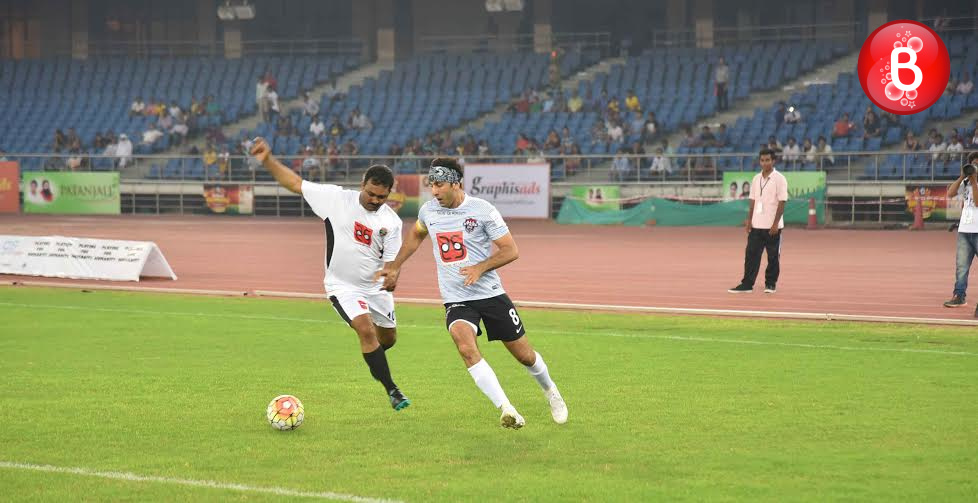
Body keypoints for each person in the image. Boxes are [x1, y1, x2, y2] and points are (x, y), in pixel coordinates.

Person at [377, 158, 567, 429]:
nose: (434, 191)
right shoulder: (429, 211)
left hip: (490, 294)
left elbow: (511, 250)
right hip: (456, 298)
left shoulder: (482, 210)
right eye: (432, 185)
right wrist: (395, 266)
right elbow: (417, 233)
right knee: (465, 347)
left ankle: (551, 391)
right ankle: (507, 409)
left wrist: (481, 267)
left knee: (525, 355)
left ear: (456, 183)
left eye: (439, 185)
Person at [248, 137, 411, 411]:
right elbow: (295, 183)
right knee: (365, 330)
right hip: (342, 285)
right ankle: (392, 390)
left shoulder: (391, 221)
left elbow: (392, 261)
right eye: (371, 193)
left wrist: (392, 273)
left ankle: (373, 357)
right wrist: (267, 160)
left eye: (382, 197)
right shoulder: (336, 199)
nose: (375, 200)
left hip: (375, 287)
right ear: (362, 184)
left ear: (389, 194)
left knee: (388, 338)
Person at [729, 149, 788, 294]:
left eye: (767, 160)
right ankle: (747, 284)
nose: (764, 163)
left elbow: (782, 202)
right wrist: (749, 220)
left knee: (773, 257)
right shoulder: (756, 179)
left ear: (773, 161)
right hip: (756, 225)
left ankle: (770, 284)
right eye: (762, 160)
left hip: (772, 227)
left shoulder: (780, 179)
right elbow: (753, 201)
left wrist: (775, 224)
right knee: (751, 255)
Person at [943, 152, 978, 311]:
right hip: (965, 230)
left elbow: (977, 202)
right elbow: (950, 193)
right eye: (973, 164)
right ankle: (959, 295)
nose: (975, 167)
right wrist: (962, 176)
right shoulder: (966, 181)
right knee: (961, 267)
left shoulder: (973, 182)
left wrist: (974, 181)